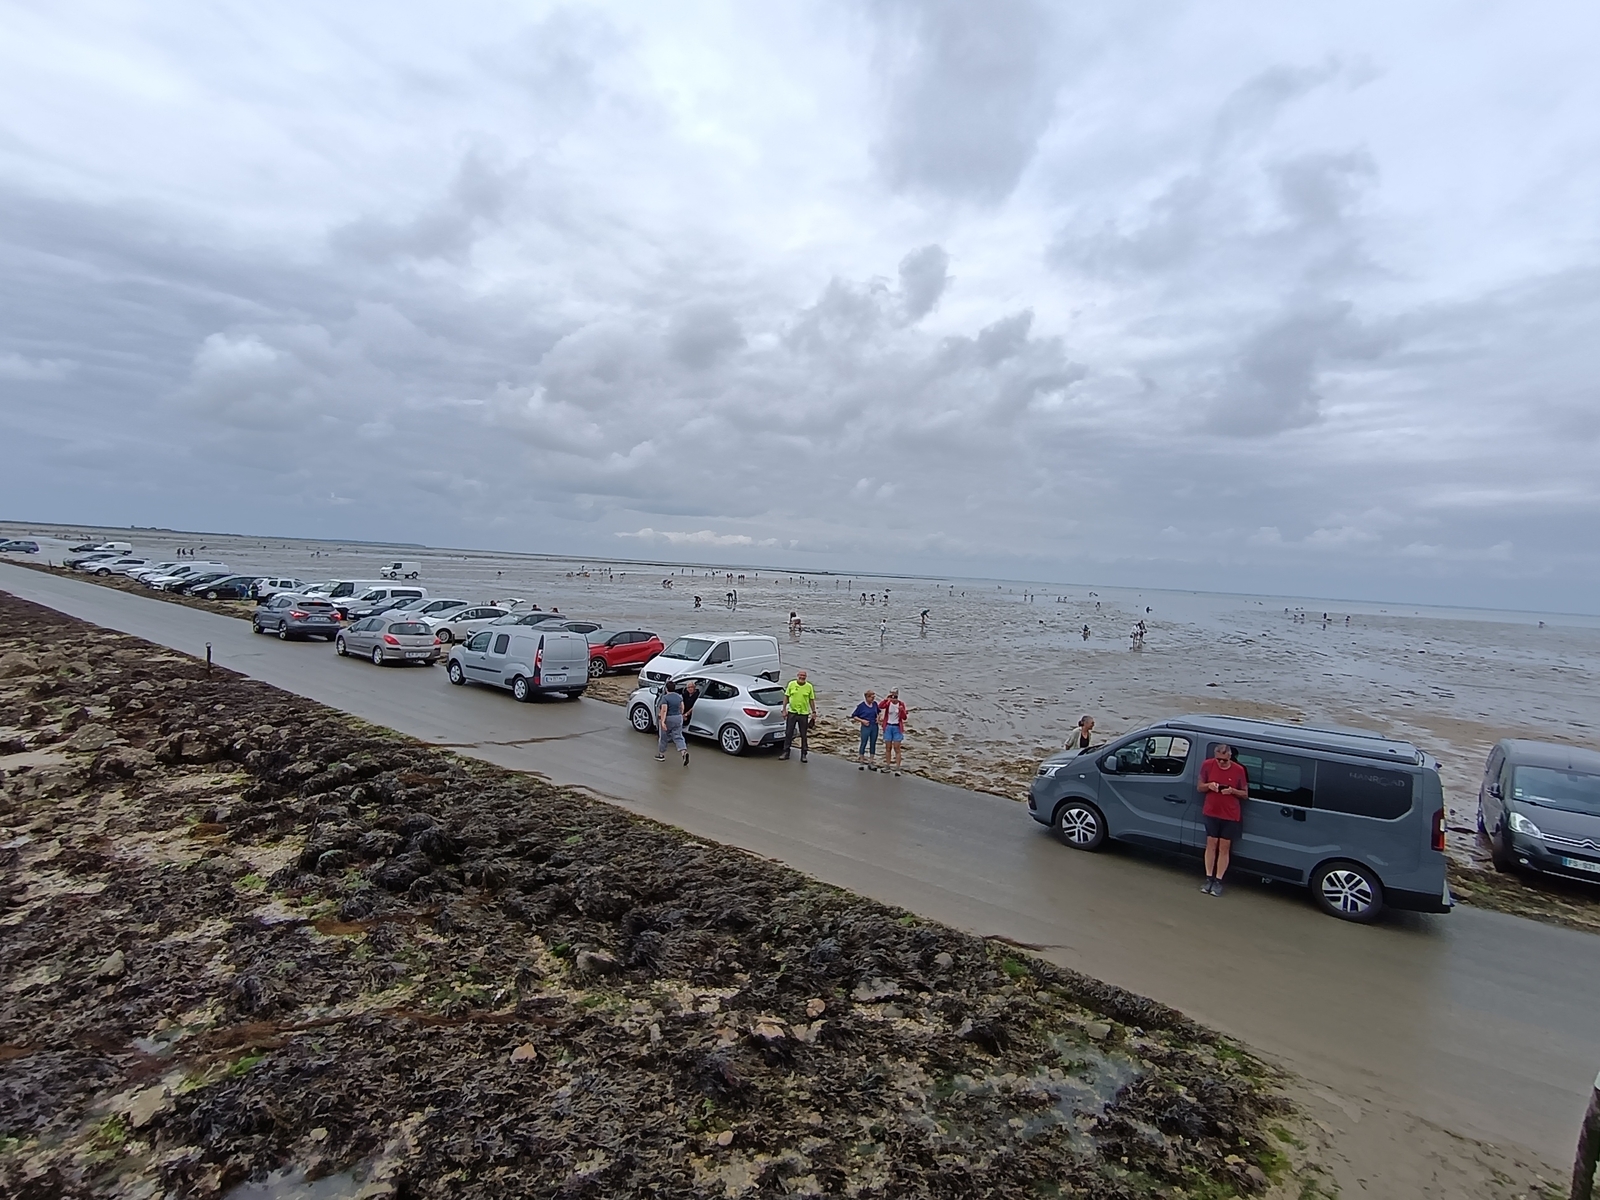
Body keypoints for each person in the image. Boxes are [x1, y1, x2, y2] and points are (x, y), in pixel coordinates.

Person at [1197, 742, 1249, 895]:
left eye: (1224, 760)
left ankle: (1219, 880)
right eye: (1218, 759)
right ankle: (1209, 878)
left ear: (1230, 757)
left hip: (1230, 814)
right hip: (1211, 811)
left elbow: (1245, 794)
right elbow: (1199, 787)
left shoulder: (1239, 770)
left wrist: (1232, 791)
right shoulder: (1207, 765)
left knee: (1224, 847)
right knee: (1211, 844)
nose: (1220, 762)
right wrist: (1209, 786)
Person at [780, 669, 815, 762]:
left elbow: (811, 700)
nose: (802, 677)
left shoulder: (809, 686)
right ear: (797, 676)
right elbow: (786, 697)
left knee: (803, 734)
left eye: (804, 676)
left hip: (804, 714)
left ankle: (804, 754)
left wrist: (814, 712)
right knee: (788, 733)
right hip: (792, 712)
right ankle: (786, 752)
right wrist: (784, 709)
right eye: (800, 675)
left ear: (806, 677)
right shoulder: (791, 684)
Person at [656, 683, 688, 766]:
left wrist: (663, 722)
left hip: (669, 718)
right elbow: (682, 707)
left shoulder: (665, 698)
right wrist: (680, 714)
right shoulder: (679, 697)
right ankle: (683, 751)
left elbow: (664, 710)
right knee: (678, 736)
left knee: (663, 737)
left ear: (666, 689)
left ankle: (661, 755)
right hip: (678, 718)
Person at [878, 689, 908, 775]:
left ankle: (897, 768)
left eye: (895, 696)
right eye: (892, 696)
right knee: (888, 747)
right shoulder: (888, 703)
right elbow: (880, 706)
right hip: (888, 726)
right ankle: (887, 766)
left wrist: (902, 710)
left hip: (897, 727)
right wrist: (886, 699)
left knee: (897, 748)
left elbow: (904, 717)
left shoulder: (901, 704)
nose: (893, 698)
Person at [852, 690, 880, 770]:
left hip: (874, 726)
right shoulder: (861, 706)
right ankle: (861, 761)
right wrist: (862, 721)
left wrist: (878, 718)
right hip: (866, 726)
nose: (873, 699)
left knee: (873, 743)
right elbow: (854, 716)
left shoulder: (875, 704)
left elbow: (879, 712)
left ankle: (871, 761)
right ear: (867, 697)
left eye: (874, 697)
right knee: (863, 742)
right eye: (871, 697)